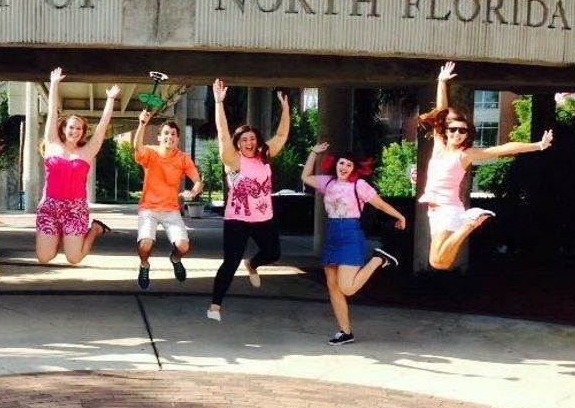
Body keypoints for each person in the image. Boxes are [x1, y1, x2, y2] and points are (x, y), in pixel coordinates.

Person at [418, 61, 553, 270]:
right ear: (446, 131)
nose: (457, 134)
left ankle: (470, 222)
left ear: (467, 135)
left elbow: (502, 149)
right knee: (441, 263)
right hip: (435, 211)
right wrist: (441, 82)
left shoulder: (465, 155)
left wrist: (538, 145)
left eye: (462, 131)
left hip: (447, 209)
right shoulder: (438, 145)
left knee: (437, 262)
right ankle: (469, 222)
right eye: (453, 129)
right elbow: (441, 112)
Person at [301, 142, 407, 345]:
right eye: (342, 163)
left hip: (350, 235)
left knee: (347, 288)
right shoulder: (328, 182)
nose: (344, 167)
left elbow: (380, 204)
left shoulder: (359, 185)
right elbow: (305, 177)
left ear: (354, 169)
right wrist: (313, 152)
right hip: (332, 235)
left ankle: (378, 259)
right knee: (333, 288)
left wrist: (400, 216)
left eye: (349, 165)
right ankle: (345, 332)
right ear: (335, 164)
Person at [206, 80, 290, 322]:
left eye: (252, 139)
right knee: (230, 263)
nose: (249, 143)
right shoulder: (233, 160)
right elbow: (223, 134)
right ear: (238, 143)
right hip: (238, 220)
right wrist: (218, 103)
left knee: (273, 253)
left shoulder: (265, 155)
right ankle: (215, 306)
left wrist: (285, 108)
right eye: (244, 140)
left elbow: (281, 134)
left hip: (264, 218)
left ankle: (252, 264)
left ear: (258, 140)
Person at [36, 68, 119, 264]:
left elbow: (102, 127)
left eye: (79, 128)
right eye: (71, 127)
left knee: (74, 258)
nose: (75, 131)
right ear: (63, 128)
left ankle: (95, 229)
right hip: (49, 208)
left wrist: (110, 99)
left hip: (75, 209)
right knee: (44, 257)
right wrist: (54, 84)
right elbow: (52, 112)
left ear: (83, 132)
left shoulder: (87, 151)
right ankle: (59, 236)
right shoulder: (52, 143)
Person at [133, 110, 203, 289]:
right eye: (166, 133)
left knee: (183, 246)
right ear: (159, 137)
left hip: (171, 209)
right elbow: (137, 148)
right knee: (145, 244)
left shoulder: (182, 158)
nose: (169, 137)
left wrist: (193, 192)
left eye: (173, 134)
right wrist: (142, 124)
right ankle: (144, 265)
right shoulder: (150, 152)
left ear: (177, 139)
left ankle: (175, 259)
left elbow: (198, 181)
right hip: (148, 208)